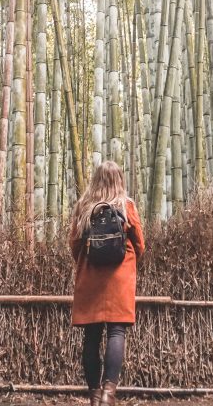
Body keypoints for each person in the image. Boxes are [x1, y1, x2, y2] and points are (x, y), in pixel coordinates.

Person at [68, 161, 146, 406]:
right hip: (119, 278)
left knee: (91, 336)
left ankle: (93, 395)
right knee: (116, 331)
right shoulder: (127, 206)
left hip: (91, 278)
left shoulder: (84, 207)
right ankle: (108, 395)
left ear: (95, 179)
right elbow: (140, 244)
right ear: (119, 180)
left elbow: (74, 244)